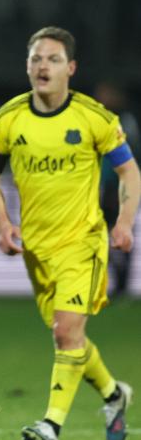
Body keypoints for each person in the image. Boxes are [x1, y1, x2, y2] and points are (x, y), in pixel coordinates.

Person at [0, 26, 139, 440]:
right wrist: (2, 224)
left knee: (67, 332)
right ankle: (112, 394)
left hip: (84, 242)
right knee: (69, 338)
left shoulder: (95, 118)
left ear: (70, 68)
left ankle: (51, 425)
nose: (41, 66)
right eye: (34, 59)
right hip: (38, 248)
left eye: (51, 59)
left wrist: (123, 222)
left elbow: (129, 172)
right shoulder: (9, 118)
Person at [95, 81, 141, 299]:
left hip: (118, 187)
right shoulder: (99, 120)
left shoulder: (124, 121)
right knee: (102, 233)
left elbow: (131, 154)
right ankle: (116, 282)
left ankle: (123, 283)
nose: (101, 98)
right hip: (104, 186)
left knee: (119, 230)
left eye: (105, 93)